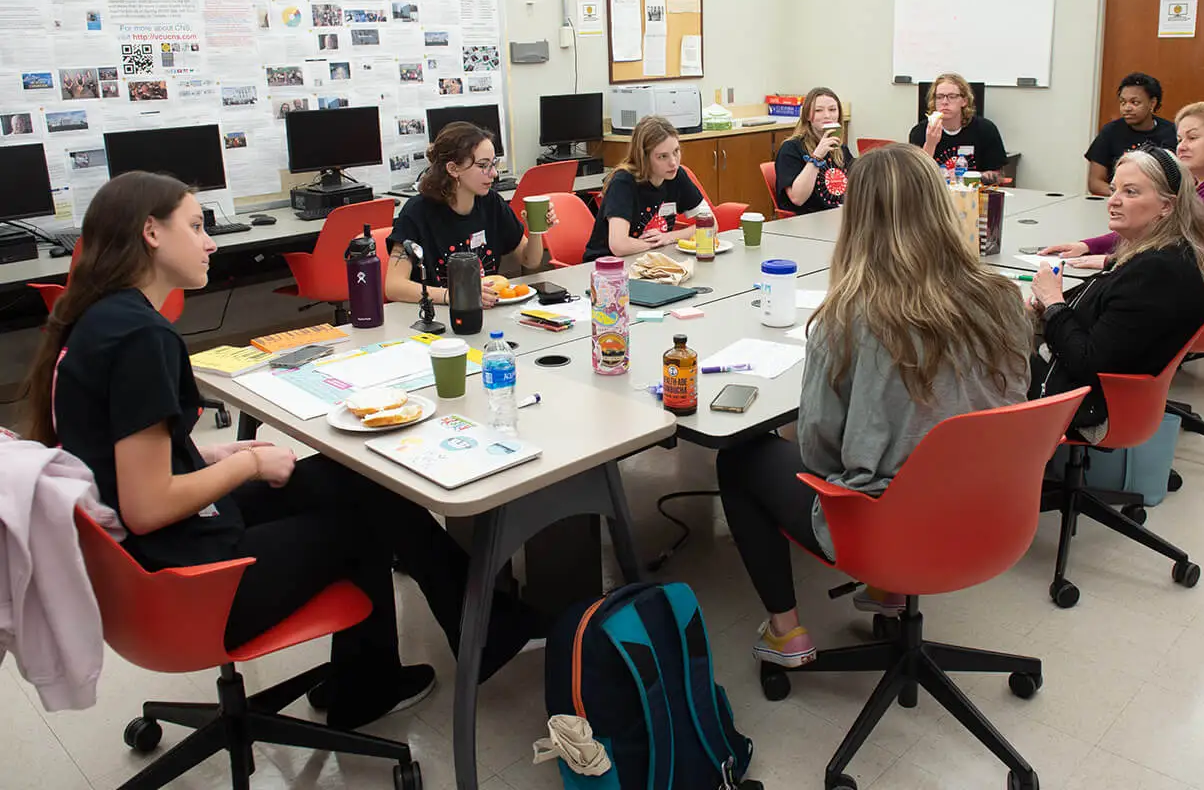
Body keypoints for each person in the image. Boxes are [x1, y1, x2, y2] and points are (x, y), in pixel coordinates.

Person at [21, 172, 540, 732]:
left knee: (359, 477)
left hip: (148, 553)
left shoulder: (99, 321)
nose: (211, 242)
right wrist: (247, 463)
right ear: (150, 232)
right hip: (187, 576)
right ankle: (376, 683)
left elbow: (119, 463)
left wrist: (208, 459)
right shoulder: (141, 338)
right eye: (196, 227)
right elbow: (148, 505)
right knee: (362, 522)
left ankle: (478, 629)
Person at [717, 145, 1031, 667]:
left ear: (855, 219)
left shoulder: (847, 317)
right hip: (988, 504)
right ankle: (886, 591)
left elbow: (819, 456)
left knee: (739, 456)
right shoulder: (1001, 296)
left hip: (886, 525)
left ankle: (785, 633)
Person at [1027, 148, 1204, 440]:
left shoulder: (1154, 273)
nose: (1113, 201)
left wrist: (1054, 305)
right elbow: (1111, 326)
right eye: (1114, 190)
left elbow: (1087, 361)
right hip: (1099, 388)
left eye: (1131, 192)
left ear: (1167, 206)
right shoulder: (1165, 253)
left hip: (1089, 404)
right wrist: (1049, 311)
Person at [1042, 105, 1204, 284]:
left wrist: (1112, 261)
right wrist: (1089, 245)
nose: (1181, 147)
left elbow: (1188, 251)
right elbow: (1158, 231)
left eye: (1192, 138)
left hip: (1198, 292)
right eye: (1179, 140)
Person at [386, 121, 556, 307]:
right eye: (483, 165)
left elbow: (529, 261)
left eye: (493, 164)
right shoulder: (417, 212)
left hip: (486, 311)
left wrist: (535, 229)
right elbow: (394, 287)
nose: (493, 174)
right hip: (438, 315)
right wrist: (454, 295)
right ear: (453, 169)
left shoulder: (491, 202)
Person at [582, 115, 716, 261]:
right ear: (643, 158)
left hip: (649, 260)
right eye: (662, 156)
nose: (673, 163)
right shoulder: (623, 182)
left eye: (676, 151)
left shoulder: (676, 175)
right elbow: (619, 246)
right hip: (607, 267)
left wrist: (669, 237)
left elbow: (712, 224)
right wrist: (657, 243)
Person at [1084, 72, 1177, 196]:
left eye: (1135, 103)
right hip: (1118, 200)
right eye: (1123, 102)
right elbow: (1095, 182)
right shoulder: (1111, 132)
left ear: (1152, 103)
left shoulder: (1171, 132)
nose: (1127, 108)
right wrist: (1125, 195)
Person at [907, 73, 1006, 182]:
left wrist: (969, 178)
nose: (944, 102)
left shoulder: (985, 129)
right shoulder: (920, 131)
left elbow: (998, 175)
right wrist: (930, 144)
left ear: (964, 101)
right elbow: (916, 178)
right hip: (935, 195)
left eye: (952, 97)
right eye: (939, 97)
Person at [772, 87, 852, 214]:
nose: (827, 115)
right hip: (807, 220)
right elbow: (797, 198)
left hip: (839, 217)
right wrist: (817, 157)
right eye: (818, 110)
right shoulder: (791, 149)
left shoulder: (841, 149)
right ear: (808, 115)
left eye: (832, 110)